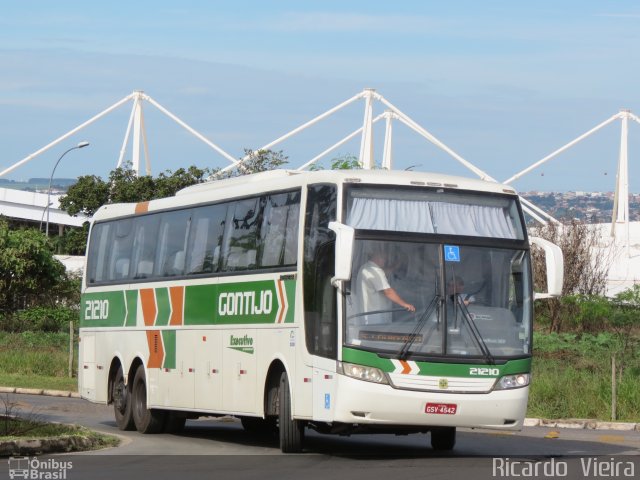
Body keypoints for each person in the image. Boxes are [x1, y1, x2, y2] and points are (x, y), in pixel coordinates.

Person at [354, 246, 415, 324]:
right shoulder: (375, 271)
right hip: (375, 320)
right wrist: (405, 304)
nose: (385, 261)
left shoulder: (366, 268)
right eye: (384, 258)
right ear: (377, 256)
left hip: (369, 317)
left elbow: (384, 273)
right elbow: (388, 291)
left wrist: (397, 264)